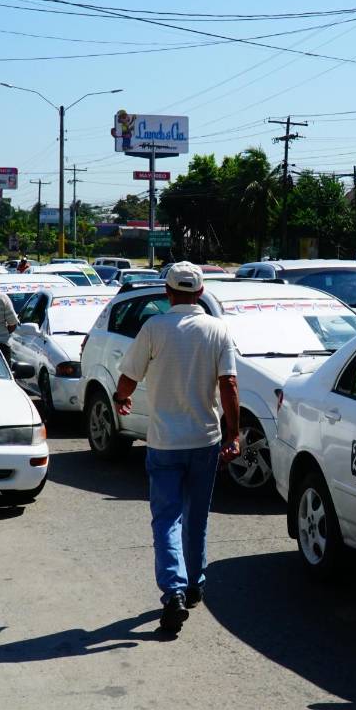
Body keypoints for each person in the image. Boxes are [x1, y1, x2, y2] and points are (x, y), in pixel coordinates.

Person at [114, 262, 240, 634]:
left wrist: (122, 398)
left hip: (165, 442)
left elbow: (128, 377)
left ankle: (173, 592)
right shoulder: (217, 329)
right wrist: (233, 435)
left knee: (167, 518)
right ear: (200, 294)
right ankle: (195, 584)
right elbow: (229, 385)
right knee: (196, 516)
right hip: (205, 439)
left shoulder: (154, 328)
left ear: (167, 294)